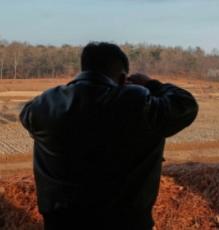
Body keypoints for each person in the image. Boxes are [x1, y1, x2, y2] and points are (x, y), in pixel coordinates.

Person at [20, 42, 198, 230]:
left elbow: (28, 114)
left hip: (61, 223)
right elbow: (185, 104)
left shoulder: (44, 105)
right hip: (126, 223)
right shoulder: (137, 105)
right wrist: (149, 84)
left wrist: (73, 88)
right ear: (123, 78)